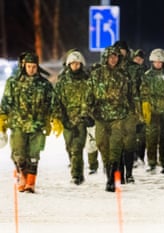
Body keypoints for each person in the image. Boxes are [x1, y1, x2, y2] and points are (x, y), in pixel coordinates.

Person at [0, 52, 53, 193]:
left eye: (34, 66)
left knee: (34, 155)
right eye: (29, 66)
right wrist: (2, 117)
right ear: (24, 66)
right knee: (19, 155)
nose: (31, 69)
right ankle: (21, 175)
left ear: (37, 67)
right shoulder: (13, 82)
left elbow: (51, 104)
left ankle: (30, 182)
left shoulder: (45, 84)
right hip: (18, 124)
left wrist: (52, 120)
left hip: (38, 125)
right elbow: (6, 102)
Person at [87, 46, 130, 192]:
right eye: (111, 56)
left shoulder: (123, 75)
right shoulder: (96, 75)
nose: (113, 59)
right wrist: (87, 112)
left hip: (118, 116)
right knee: (101, 144)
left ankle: (112, 179)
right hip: (100, 116)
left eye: (116, 56)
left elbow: (130, 95)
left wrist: (133, 112)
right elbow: (89, 95)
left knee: (116, 146)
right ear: (105, 58)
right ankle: (109, 169)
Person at [52, 50, 91, 185]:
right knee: (69, 146)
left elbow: (91, 98)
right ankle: (75, 167)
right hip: (67, 119)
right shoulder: (63, 81)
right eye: (73, 63)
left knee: (77, 147)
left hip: (81, 119)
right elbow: (56, 99)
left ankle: (77, 175)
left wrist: (87, 114)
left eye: (78, 63)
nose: (75, 66)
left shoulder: (87, 79)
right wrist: (57, 117)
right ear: (69, 64)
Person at [114, 41, 143, 184]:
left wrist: (141, 111)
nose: (121, 52)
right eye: (118, 50)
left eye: (123, 50)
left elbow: (142, 89)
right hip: (114, 111)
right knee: (117, 143)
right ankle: (119, 172)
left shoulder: (135, 69)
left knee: (129, 143)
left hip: (131, 110)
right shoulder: (110, 68)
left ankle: (129, 173)